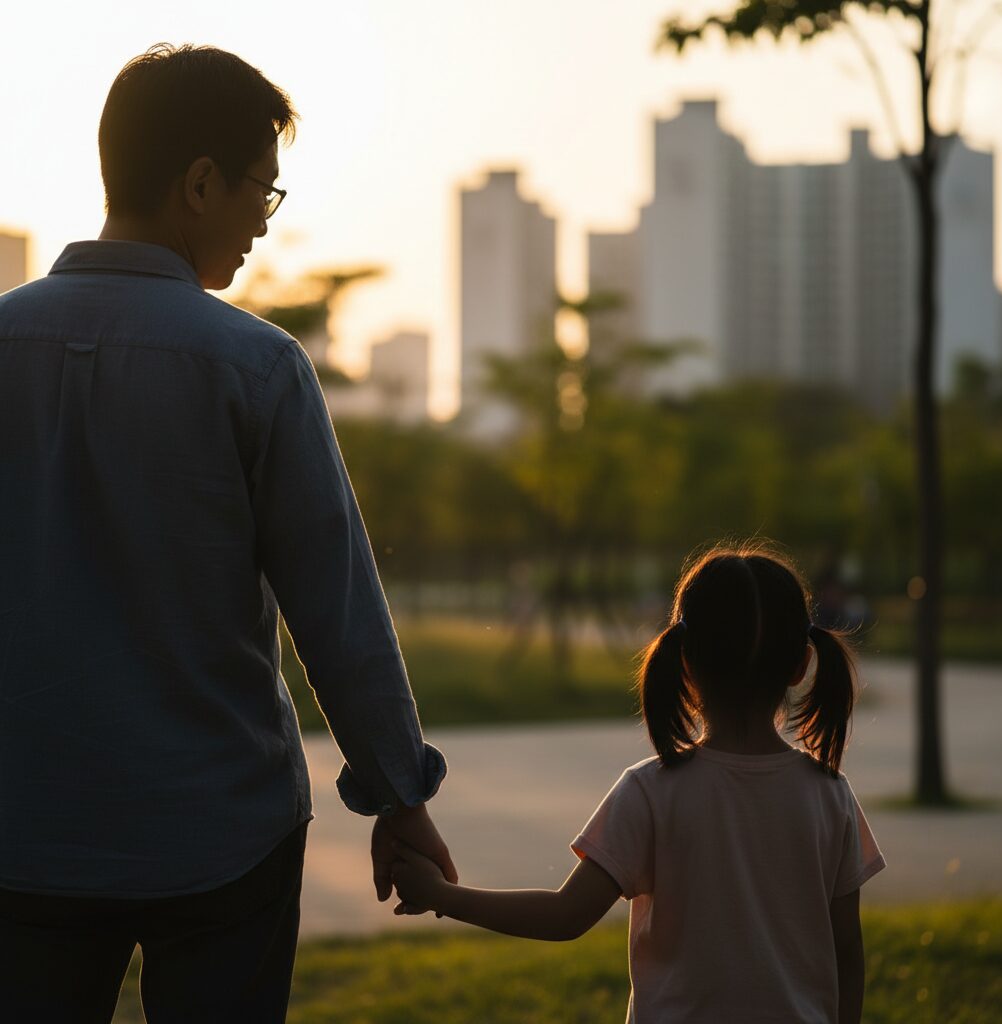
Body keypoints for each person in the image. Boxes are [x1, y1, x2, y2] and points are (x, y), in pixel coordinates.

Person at [0, 43, 453, 1023]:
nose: (262, 219)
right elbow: (336, 611)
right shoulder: (256, 368)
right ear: (200, 182)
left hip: (20, 834)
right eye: (263, 190)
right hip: (219, 837)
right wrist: (397, 794)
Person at [392, 544, 885, 1024]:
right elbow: (847, 950)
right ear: (801, 663)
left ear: (685, 660)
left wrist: (441, 895)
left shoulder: (652, 792)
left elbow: (566, 916)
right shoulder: (829, 795)